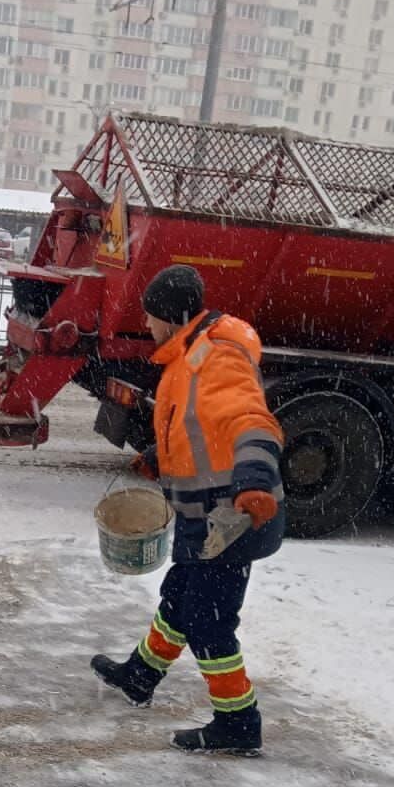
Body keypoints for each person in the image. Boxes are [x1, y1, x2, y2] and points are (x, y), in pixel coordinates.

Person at [91, 265, 286, 755]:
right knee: (180, 595)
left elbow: (250, 420)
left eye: (152, 316)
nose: (148, 325)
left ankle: (238, 722)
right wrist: (161, 459)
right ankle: (140, 676)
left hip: (233, 517)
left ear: (173, 316)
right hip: (205, 514)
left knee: (209, 621)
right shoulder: (185, 359)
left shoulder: (215, 357)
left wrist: (255, 483)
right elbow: (199, 427)